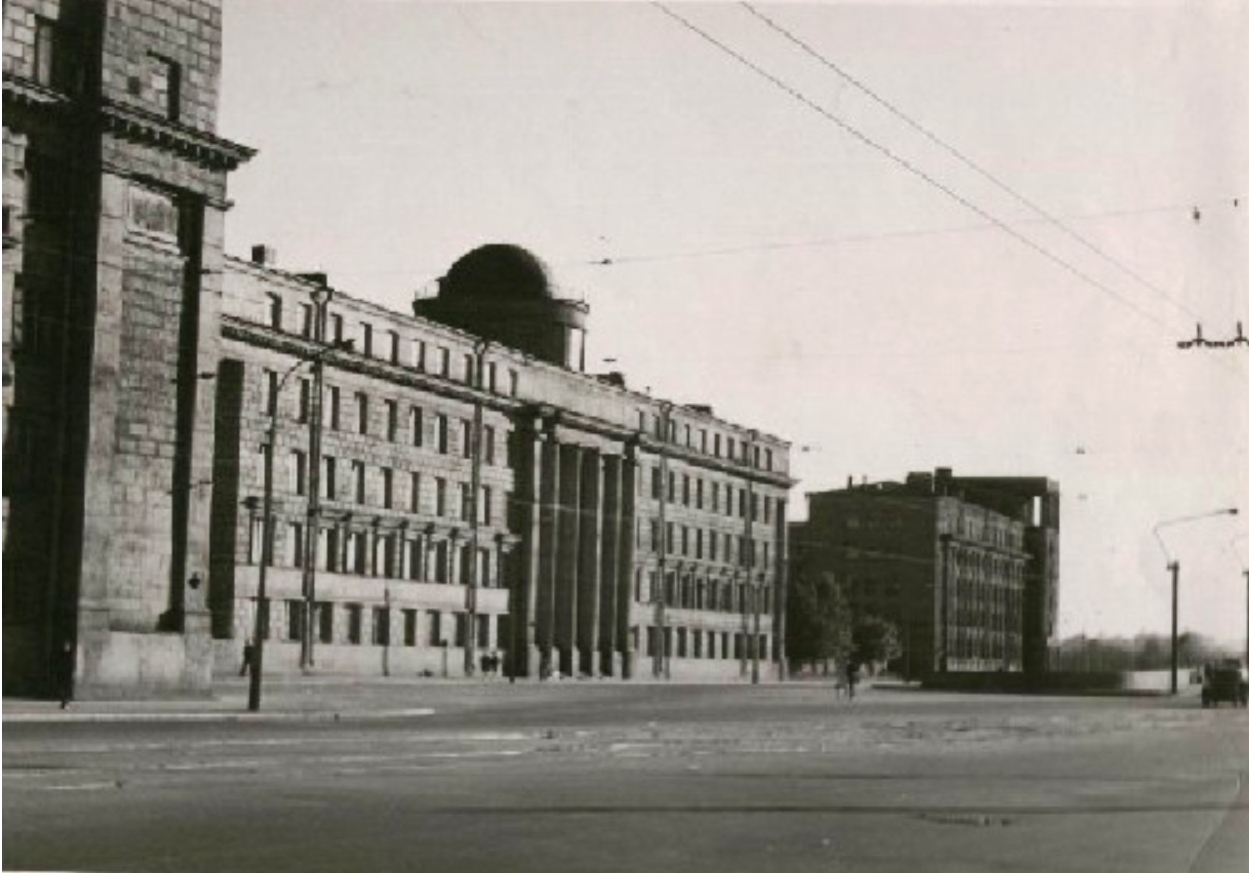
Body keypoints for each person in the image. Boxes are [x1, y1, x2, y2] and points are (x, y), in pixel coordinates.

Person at [58, 639, 75, 709]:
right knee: (63, 688)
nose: (67, 647)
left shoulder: (70, 655)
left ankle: (66, 702)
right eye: (66, 646)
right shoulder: (63, 655)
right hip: (63, 674)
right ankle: (64, 702)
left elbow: (71, 665)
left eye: (68, 646)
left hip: (68, 674)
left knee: (67, 688)